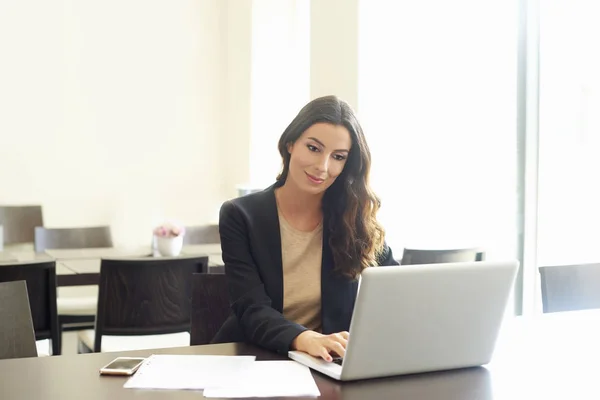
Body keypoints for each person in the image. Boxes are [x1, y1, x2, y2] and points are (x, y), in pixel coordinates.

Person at [212, 95, 398, 361]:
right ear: (290, 143)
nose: (322, 167)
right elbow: (251, 308)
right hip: (255, 358)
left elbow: (396, 288)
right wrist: (305, 338)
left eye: (338, 156)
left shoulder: (353, 217)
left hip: (328, 364)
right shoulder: (240, 215)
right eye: (313, 148)